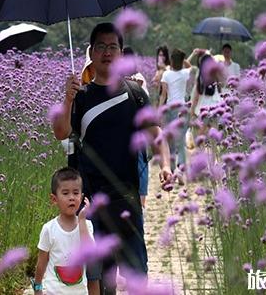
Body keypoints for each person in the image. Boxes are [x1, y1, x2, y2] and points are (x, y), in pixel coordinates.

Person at [52, 22, 172, 294]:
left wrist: (165, 164)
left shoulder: (135, 94)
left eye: (113, 47)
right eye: (101, 47)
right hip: (92, 204)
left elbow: (156, 134)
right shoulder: (81, 97)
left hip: (127, 200)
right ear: (91, 52)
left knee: (137, 274)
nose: (108, 52)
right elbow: (61, 132)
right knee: (102, 281)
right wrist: (67, 99)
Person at [33, 167, 97, 295]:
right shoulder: (49, 229)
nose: (71, 197)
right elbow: (41, 264)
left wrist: (82, 220)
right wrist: (38, 288)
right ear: (54, 199)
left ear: (82, 197)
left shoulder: (87, 225)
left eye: (76, 193)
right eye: (65, 193)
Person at [159, 48, 194, 183]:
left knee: (171, 142)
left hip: (170, 109)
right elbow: (191, 67)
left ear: (171, 60)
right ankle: (181, 170)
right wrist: (184, 59)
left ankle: (173, 171)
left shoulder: (166, 74)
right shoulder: (186, 73)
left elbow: (163, 95)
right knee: (181, 142)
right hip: (183, 109)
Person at [123, 46, 149, 209]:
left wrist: (136, 88)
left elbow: (144, 105)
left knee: (140, 163)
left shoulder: (139, 78)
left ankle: (141, 202)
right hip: (124, 129)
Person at [190, 52, 224, 130]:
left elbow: (196, 98)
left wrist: (191, 114)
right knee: (214, 136)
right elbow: (220, 92)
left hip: (203, 111)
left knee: (202, 136)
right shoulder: (216, 77)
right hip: (216, 109)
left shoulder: (201, 79)